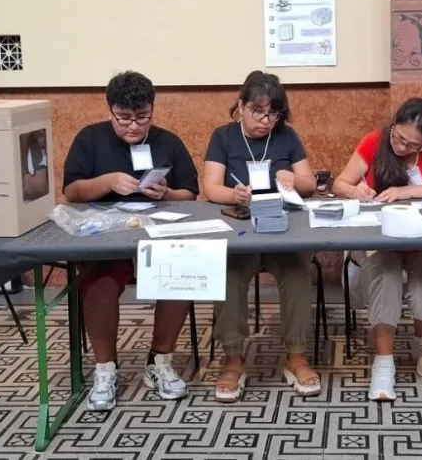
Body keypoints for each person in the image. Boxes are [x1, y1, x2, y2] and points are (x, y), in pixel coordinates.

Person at [62, 71, 200, 412]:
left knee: (181, 272)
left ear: (152, 110)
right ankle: (105, 369)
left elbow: (191, 194)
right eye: (124, 118)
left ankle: (159, 362)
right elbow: (71, 192)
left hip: (159, 233)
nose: (134, 126)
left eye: (142, 118)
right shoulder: (90, 139)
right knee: (99, 284)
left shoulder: (168, 141)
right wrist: (106, 182)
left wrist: (167, 193)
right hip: (106, 237)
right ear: (110, 110)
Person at [331, 98, 422, 401]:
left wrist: (407, 191)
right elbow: (340, 183)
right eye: (399, 137)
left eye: (412, 145)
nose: (402, 147)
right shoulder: (374, 142)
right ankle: (383, 361)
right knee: (387, 273)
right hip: (380, 239)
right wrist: (356, 190)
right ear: (393, 124)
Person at [201, 70, 320, 402]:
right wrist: (233, 195)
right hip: (241, 229)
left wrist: (294, 181)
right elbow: (210, 186)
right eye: (258, 111)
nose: (266, 120)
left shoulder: (287, 136)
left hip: (282, 230)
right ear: (241, 106)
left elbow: (310, 184)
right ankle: (233, 360)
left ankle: (296, 355)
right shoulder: (223, 136)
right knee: (227, 275)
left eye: (273, 113)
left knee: (297, 274)